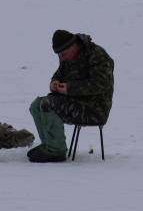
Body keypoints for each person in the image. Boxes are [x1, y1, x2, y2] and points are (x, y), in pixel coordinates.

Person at [28, 30, 114, 163]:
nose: (62, 59)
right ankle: (49, 145)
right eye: (59, 56)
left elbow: (101, 84)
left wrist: (70, 88)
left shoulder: (97, 55)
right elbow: (59, 74)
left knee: (47, 104)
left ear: (73, 45)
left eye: (63, 54)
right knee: (36, 105)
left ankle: (56, 151)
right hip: (75, 103)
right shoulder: (68, 57)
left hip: (94, 109)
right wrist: (54, 83)